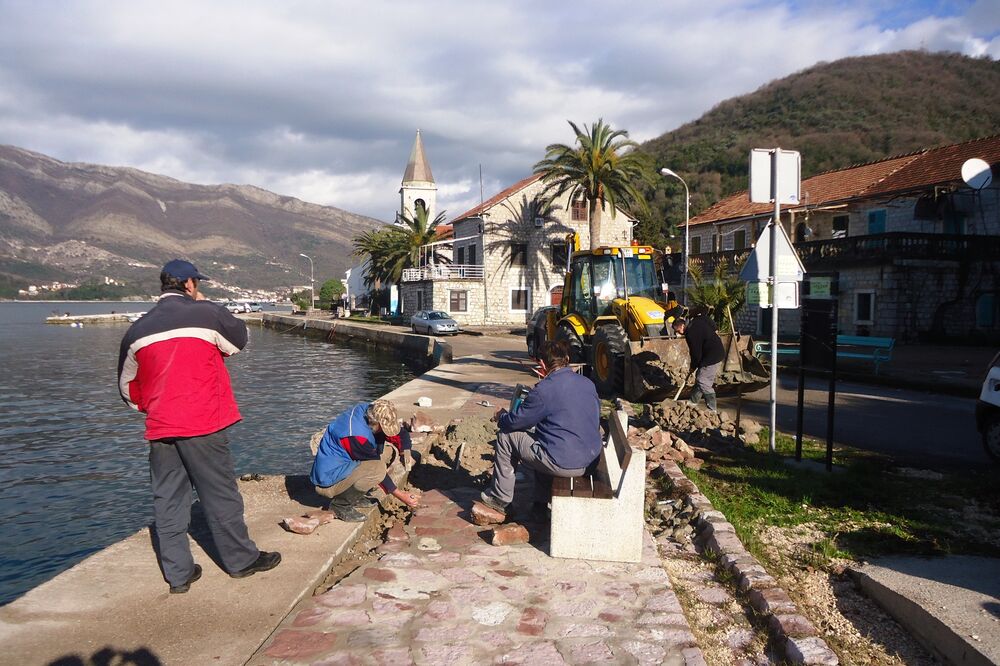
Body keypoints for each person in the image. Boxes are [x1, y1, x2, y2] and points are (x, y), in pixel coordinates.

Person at [118, 259, 280, 594]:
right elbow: (239, 339)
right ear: (189, 284)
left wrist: (153, 406)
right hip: (203, 423)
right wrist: (208, 304)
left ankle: (178, 575)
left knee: (168, 501)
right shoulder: (206, 313)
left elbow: (127, 388)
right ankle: (240, 561)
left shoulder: (136, 330)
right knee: (220, 495)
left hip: (161, 427)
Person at [479, 339, 603, 517]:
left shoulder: (543, 390)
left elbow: (515, 423)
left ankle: (500, 498)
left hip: (566, 464)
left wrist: (502, 416)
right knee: (544, 440)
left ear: (543, 364)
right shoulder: (587, 383)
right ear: (567, 359)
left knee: (507, 436)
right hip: (590, 460)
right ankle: (540, 503)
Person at [310, 400, 420, 521]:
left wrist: (405, 454)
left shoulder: (371, 410)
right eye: (383, 428)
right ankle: (340, 505)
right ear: (375, 423)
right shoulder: (355, 435)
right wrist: (400, 495)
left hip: (346, 464)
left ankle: (355, 495)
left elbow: (401, 434)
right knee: (377, 470)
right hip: (328, 481)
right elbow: (375, 467)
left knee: (388, 453)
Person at [672, 307, 726, 412]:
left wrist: (693, 366)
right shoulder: (697, 320)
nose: (679, 333)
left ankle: (712, 409)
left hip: (712, 356)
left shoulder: (690, 334)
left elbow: (695, 353)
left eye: (678, 331)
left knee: (703, 380)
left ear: (682, 325)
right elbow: (707, 319)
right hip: (714, 351)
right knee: (700, 376)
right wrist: (715, 328)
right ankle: (693, 402)